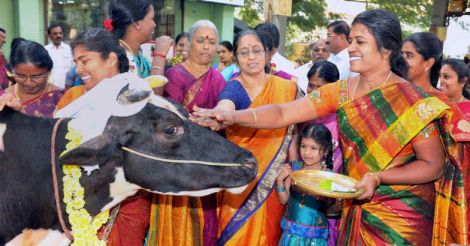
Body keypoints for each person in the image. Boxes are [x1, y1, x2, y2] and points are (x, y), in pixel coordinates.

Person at [191, 9, 468, 245]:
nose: (351, 48)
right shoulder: (343, 91)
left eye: (360, 41)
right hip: (356, 206)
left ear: (386, 49)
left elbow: (433, 165)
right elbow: (282, 112)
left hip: (402, 216)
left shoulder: (412, 101)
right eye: (351, 41)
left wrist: (379, 178)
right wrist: (232, 116)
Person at [55, 28, 153, 246]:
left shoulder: (139, 97)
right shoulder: (72, 98)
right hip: (77, 206)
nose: (78, 69)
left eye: (84, 60)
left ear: (110, 58)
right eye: (75, 61)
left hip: (126, 207)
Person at [206, 29, 300, 245]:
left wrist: (295, 168)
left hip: (275, 179)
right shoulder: (234, 89)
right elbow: (225, 104)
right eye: (244, 52)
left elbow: (293, 132)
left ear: (267, 54)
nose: (251, 57)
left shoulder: (287, 88)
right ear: (236, 59)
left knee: (270, 234)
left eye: (256, 51)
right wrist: (220, 113)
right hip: (240, 183)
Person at [148, 20, 226, 246]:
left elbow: (225, 121)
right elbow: (167, 118)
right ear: (189, 44)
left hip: (209, 163)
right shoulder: (174, 75)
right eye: (200, 41)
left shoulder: (219, 79)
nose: (206, 47)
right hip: (177, 162)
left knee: (208, 221)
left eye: (212, 42)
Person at [276, 123, 333, 246]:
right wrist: (280, 180)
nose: (307, 152)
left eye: (313, 148)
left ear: (325, 150)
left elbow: (332, 210)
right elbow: (284, 200)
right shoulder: (294, 168)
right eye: (303, 146)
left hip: (315, 240)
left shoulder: (329, 176)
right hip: (290, 236)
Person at [305, 60, 341, 246]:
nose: (313, 92)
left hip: (330, 198)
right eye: (311, 85)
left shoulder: (341, 122)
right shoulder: (302, 117)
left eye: (320, 87)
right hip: (303, 193)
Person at [109, 0, 173, 96]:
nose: (154, 24)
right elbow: (152, 99)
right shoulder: (119, 57)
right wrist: (159, 55)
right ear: (136, 24)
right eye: (152, 19)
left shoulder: (137, 53)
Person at [3, 40, 62, 118]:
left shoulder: (61, 97)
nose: (28, 83)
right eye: (21, 76)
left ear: (48, 71)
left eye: (36, 77)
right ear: (12, 70)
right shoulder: (4, 98)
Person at [44, 23, 74, 89]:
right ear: (49, 35)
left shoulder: (69, 49)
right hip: (51, 89)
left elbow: (74, 69)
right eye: (55, 34)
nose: (58, 35)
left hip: (68, 88)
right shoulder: (45, 50)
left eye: (60, 33)